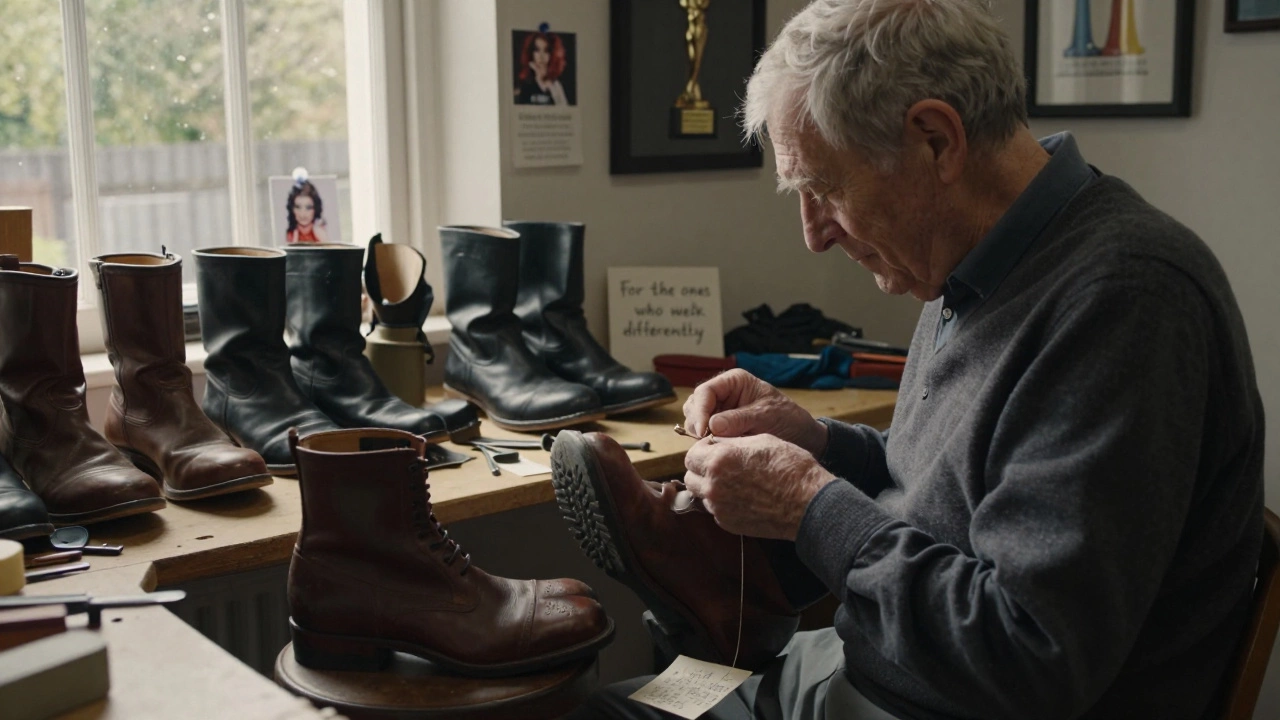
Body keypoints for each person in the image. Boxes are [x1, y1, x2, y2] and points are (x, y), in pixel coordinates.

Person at [566, 1, 1265, 718]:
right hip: (849, 665)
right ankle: (736, 599)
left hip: (923, 702)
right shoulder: (975, 262)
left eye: (825, 189)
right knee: (615, 705)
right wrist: (820, 443)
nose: (813, 235)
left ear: (936, 140)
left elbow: (1031, 656)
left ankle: (732, 595)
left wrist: (807, 505)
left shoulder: (1129, 301)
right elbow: (950, 497)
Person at [514, 31, 571, 106]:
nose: (541, 56)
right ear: (531, 53)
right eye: (537, 50)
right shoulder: (524, 85)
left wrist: (549, 87)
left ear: (552, 54)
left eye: (546, 51)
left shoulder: (556, 85)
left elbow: (565, 111)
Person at [284, 178, 329, 244]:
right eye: (298, 207)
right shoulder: (291, 235)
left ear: (315, 209)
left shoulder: (321, 233)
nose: (303, 214)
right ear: (292, 209)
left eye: (308, 208)